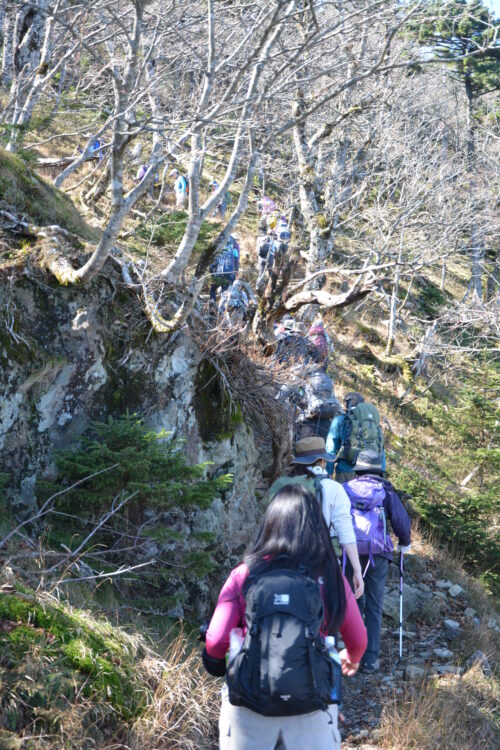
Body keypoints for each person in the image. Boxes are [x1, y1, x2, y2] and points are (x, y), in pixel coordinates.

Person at [203, 484, 367, 750]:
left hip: (249, 708)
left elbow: (215, 642)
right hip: (312, 709)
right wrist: (351, 658)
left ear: (270, 523)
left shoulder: (245, 573)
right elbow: (358, 639)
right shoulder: (331, 576)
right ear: (317, 526)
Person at [268, 436, 364, 601]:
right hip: (321, 565)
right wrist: (357, 570)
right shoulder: (333, 488)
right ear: (322, 461)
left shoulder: (283, 486)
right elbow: (346, 533)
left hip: (283, 563)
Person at [343, 450, 411, 674]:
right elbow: (401, 521)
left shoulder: (346, 489)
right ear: (379, 470)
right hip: (378, 555)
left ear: (358, 469)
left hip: (348, 553)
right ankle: (370, 660)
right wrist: (404, 542)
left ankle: (352, 656)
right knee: (374, 606)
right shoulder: (385, 491)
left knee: (353, 604)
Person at [326, 392, 386, 483]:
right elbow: (381, 450)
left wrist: (328, 472)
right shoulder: (373, 422)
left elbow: (330, 448)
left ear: (345, 404)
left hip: (345, 472)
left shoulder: (340, 420)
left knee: (345, 495)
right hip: (370, 472)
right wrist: (382, 474)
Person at [209, 236, 240, 304]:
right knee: (225, 292)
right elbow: (237, 263)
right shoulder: (234, 250)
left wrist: (211, 272)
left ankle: (212, 302)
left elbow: (213, 263)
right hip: (229, 274)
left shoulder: (219, 250)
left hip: (218, 274)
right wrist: (236, 273)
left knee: (213, 289)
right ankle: (222, 307)